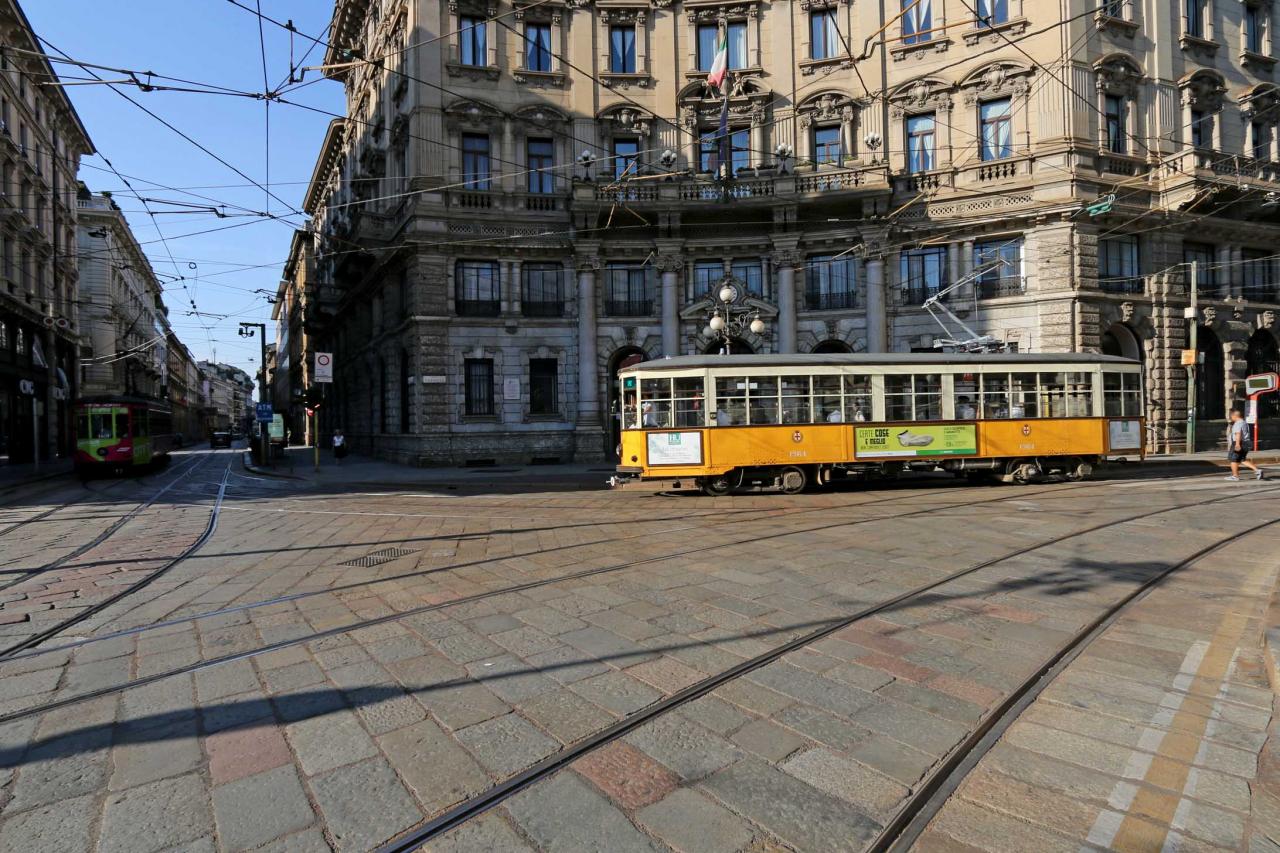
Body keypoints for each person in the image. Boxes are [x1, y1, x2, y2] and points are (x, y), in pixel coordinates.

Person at [1225, 408, 1263, 481]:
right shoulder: (1244, 422)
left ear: (1234, 415)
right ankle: (1257, 471)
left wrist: (1237, 444)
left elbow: (1238, 433)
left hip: (1239, 443)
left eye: (1230, 416)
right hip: (1246, 443)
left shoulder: (1238, 423)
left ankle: (1235, 476)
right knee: (1242, 459)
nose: (1230, 417)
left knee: (1233, 459)